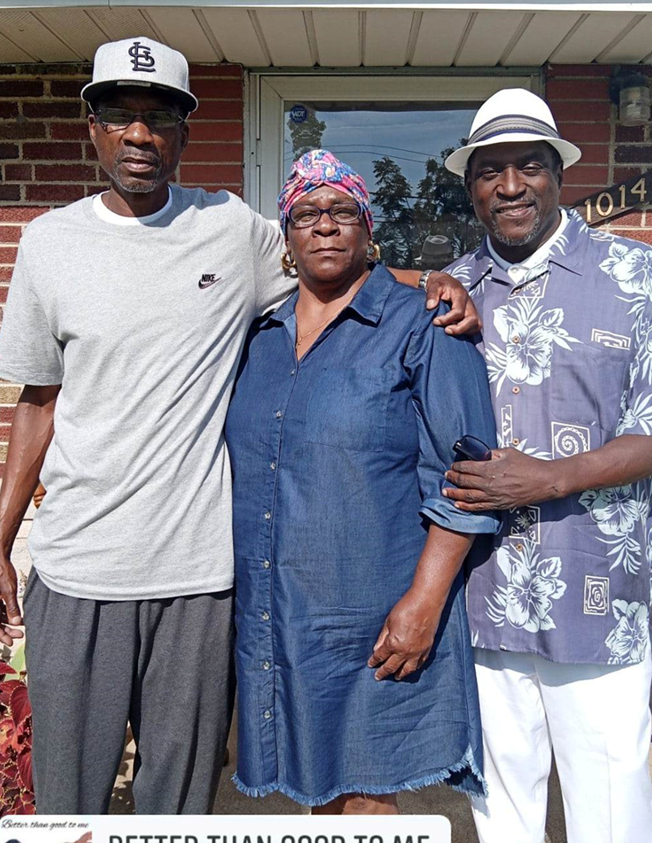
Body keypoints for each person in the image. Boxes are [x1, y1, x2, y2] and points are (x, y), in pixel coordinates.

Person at [0, 39, 477, 814]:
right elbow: (37, 402)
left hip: (198, 577)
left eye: (161, 119)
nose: (139, 136)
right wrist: (0, 538)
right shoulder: (50, 243)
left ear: (185, 133)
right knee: (68, 804)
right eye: (119, 115)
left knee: (178, 803)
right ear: (92, 126)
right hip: (78, 569)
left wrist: (434, 279)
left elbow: (333, 252)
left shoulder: (229, 226)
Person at [224, 149, 500, 814]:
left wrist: (425, 604)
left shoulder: (421, 326)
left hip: (374, 615)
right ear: (286, 238)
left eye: (342, 211)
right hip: (280, 616)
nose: (325, 225)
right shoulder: (259, 335)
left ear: (367, 229)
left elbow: (466, 475)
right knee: (316, 797)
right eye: (306, 214)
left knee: (365, 804)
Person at [441, 88, 652, 843]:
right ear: (471, 186)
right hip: (484, 599)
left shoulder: (635, 279)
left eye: (528, 165)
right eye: (490, 170)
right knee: (501, 818)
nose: (509, 185)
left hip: (599, 602)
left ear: (559, 172)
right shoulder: (452, 290)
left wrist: (554, 476)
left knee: (611, 818)